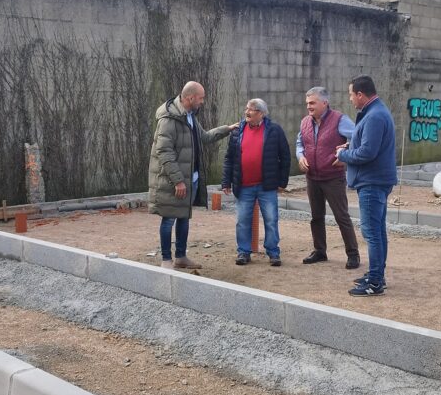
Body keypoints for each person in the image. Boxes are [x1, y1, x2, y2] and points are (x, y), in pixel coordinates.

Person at [148, 81, 237, 269]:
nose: (202, 102)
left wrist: (227, 129)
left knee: (183, 216)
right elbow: (164, 152)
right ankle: (166, 260)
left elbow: (204, 137)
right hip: (173, 182)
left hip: (191, 180)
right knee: (169, 218)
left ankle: (181, 257)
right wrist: (178, 181)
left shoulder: (189, 116)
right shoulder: (169, 119)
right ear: (190, 98)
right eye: (201, 98)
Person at [336, 76, 397, 297]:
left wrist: (343, 154)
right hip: (375, 180)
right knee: (377, 231)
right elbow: (367, 145)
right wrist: (350, 145)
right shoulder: (376, 112)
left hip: (372, 182)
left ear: (360, 94)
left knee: (372, 233)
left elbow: (367, 153)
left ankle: (375, 282)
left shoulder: (374, 116)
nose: (350, 99)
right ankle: (376, 275)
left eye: (351, 94)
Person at [296, 86, 361, 270]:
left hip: (333, 178)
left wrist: (345, 155)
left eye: (312, 103)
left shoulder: (340, 120)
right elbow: (300, 143)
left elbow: (358, 138)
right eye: (307, 103)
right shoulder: (305, 122)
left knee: (341, 217)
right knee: (316, 217)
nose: (308, 106)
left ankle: (353, 254)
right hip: (312, 178)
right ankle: (320, 251)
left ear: (324, 103)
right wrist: (300, 157)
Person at [221, 98, 291, 266]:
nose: (247, 112)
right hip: (244, 185)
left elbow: (285, 156)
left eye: (251, 109)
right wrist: (226, 182)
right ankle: (243, 252)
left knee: (271, 219)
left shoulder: (274, 130)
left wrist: (282, 182)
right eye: (247, 108)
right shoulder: (237, 131)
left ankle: (273, 252)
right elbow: (229, 158)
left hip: (267, 186)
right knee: (242, 220)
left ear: (261, 113)